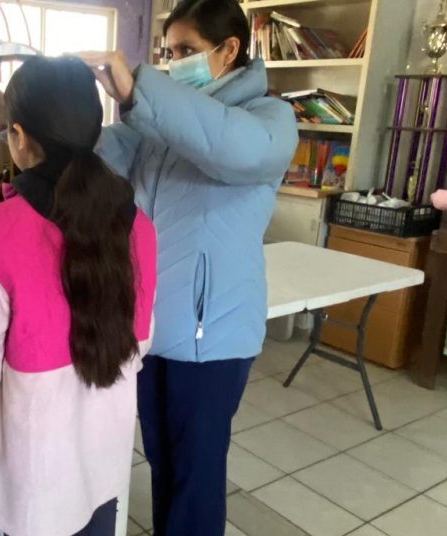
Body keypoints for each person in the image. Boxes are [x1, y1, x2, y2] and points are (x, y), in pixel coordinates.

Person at [79, 0, 299, 533]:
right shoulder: (156, 124)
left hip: (213, 337)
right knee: (164, 463)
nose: (174, 62)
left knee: (194, 477)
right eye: (168, 51)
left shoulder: (269, 120)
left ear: (230, 50)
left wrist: (141, 92)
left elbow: (227, 146)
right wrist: (52, 115)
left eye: (186, 51)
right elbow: (99, 163)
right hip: (152, 328)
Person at [0, 56, 157, 536]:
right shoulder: (138, 224)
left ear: (18, 135)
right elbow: (140, 345)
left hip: (32, 478)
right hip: (104, 459)